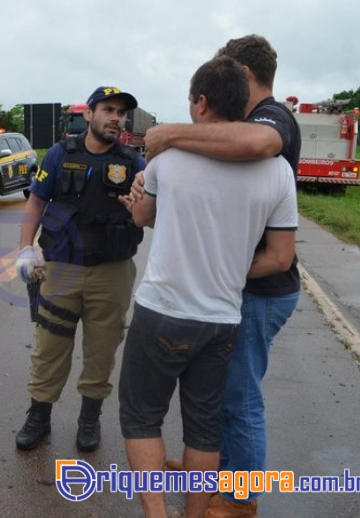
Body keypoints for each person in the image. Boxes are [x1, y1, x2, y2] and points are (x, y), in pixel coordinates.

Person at [117, 55, 298, 518]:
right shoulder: (279, 172)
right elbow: (281, 256)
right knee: (204, 428)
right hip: (221, 318)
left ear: (200, 103)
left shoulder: (169, 158)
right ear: (244, 103)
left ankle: (157, 514)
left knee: (142, 419)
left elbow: (143, 217)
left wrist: (138, 195)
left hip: (162, 309)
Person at [14, 86, 146, 452]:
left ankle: (90, 418)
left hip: (112, 271)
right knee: (49, 345)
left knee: (102, 349)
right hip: (62, 269)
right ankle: (38, 416)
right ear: (89, 114)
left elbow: (149, 213)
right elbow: (37, 200)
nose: (116, 118)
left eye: (121, 113)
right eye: (108, 110)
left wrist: (140, 202)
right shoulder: (59, 154)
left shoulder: (134, 162)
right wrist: (25, 248)